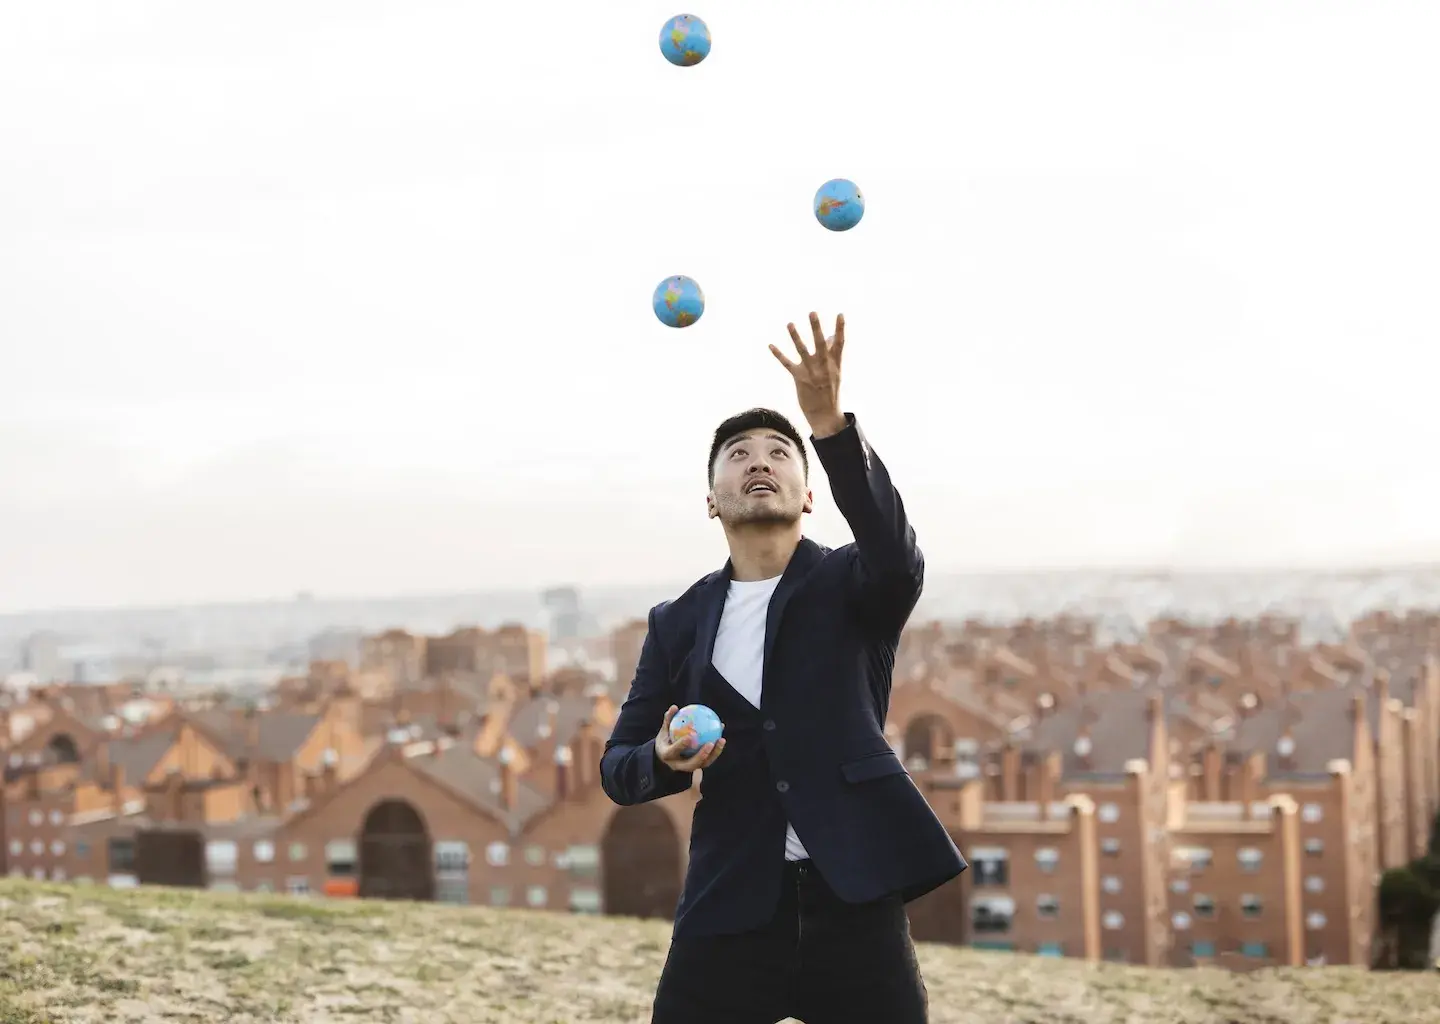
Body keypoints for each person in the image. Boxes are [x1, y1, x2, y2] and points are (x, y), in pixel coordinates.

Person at [599, 312, 967, 1024]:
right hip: (729, 900)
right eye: (737, 454)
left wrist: (828, 425)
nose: (759, 461)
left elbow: (897, 554)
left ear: (808, 493)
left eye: (778, 451)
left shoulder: (856, 585)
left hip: (854, 895)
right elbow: (619, 768)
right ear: (711, 500)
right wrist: (665, 756)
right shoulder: (676, 622)